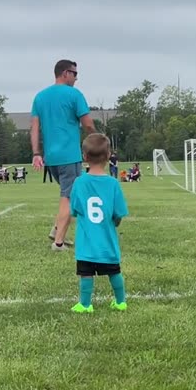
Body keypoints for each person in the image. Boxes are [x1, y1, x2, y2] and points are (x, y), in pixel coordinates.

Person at [30, 58, 95, 251]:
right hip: (70, 156)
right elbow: (88, 124)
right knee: (68, 196)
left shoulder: (40, 97)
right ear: (65, 73)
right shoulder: (74, 95)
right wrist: (100, 140)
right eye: (75, 74)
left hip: (51, 159)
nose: (76, 78)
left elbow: (34, 128)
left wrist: (36, 153)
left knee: (78, 192)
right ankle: (58, 242)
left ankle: (57, 227)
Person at [69, 133, 129, 313]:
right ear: (109, 155)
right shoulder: (113, 183)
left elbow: (75, 209)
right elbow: (118, 214)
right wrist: (115, 222)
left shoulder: (79, 182)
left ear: (84, 156)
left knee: (85, 273)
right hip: (107, 241)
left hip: (86, 242)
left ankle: (85, 305)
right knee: (114, 271)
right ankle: (120, 302)